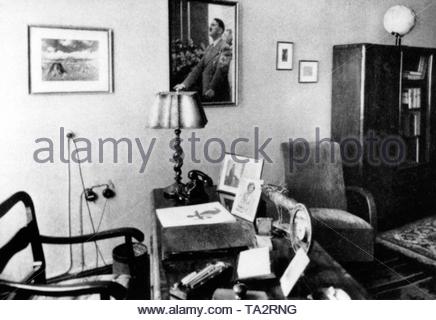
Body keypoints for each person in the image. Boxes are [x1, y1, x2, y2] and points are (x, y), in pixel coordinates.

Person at [174, 18, 231, 102]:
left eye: (213, 25)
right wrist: (184, 84)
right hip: (206, 92)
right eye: (210, 25)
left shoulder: (224, 47)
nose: (209, 27)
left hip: (217, 94)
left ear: (220, 30)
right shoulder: (209, 48)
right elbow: (198, 68)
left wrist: (212, 88)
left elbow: (221, 70)